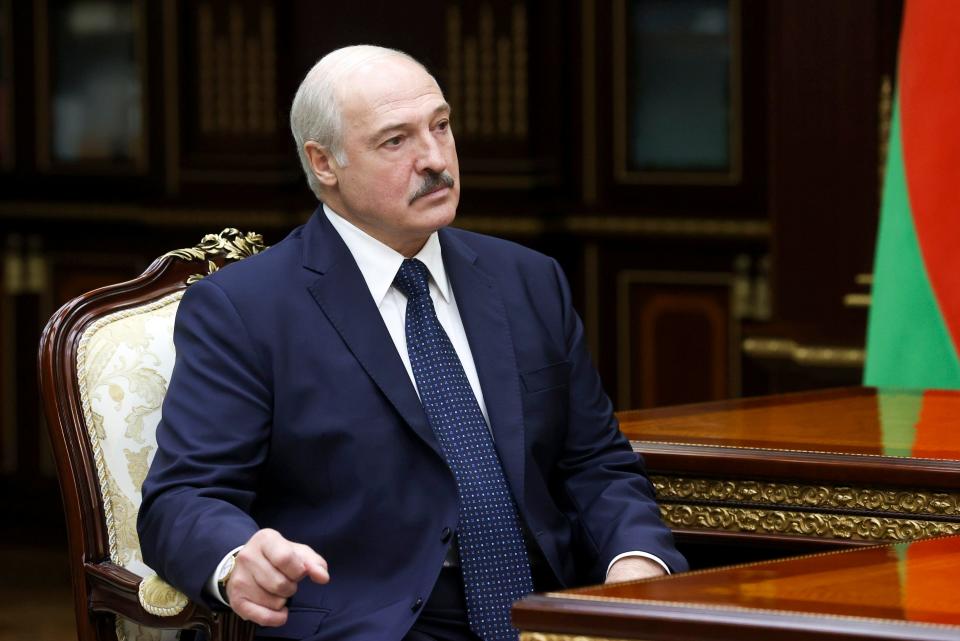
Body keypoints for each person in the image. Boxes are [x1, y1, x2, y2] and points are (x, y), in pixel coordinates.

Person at [138, 45, 687, 641]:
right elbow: (182, 498)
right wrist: (237, 559)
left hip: (549, 611)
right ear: (325, 163)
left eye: (441, 126)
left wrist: (635, 561)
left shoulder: (527, 279)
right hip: (371, 622)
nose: (435, 159)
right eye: (395, 141)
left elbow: (596, 462)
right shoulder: (246, 309)